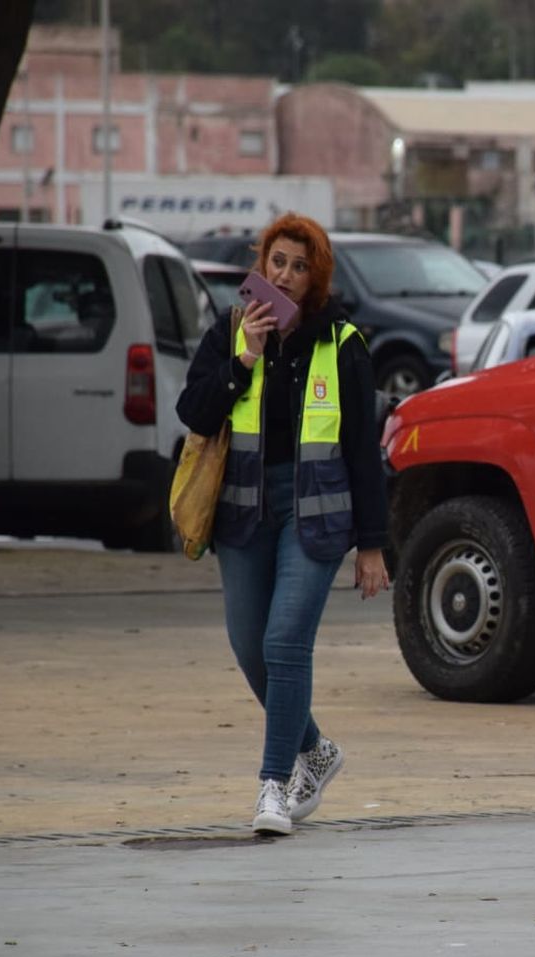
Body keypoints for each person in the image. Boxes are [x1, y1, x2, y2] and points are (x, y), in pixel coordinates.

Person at [177, 213, 391, 835]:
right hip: (243, 510)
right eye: (278, 262)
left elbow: (363, 450)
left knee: (285, 643)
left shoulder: (342, 343)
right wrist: (244, 358)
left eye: (300, 266)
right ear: (262, 265)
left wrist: (373, 545)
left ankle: (273, 786)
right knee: (251, 649)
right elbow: (193, 410)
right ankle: (316, 750)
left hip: (315, 514)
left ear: (316, 275)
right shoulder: (232, 330)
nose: (287, 275)